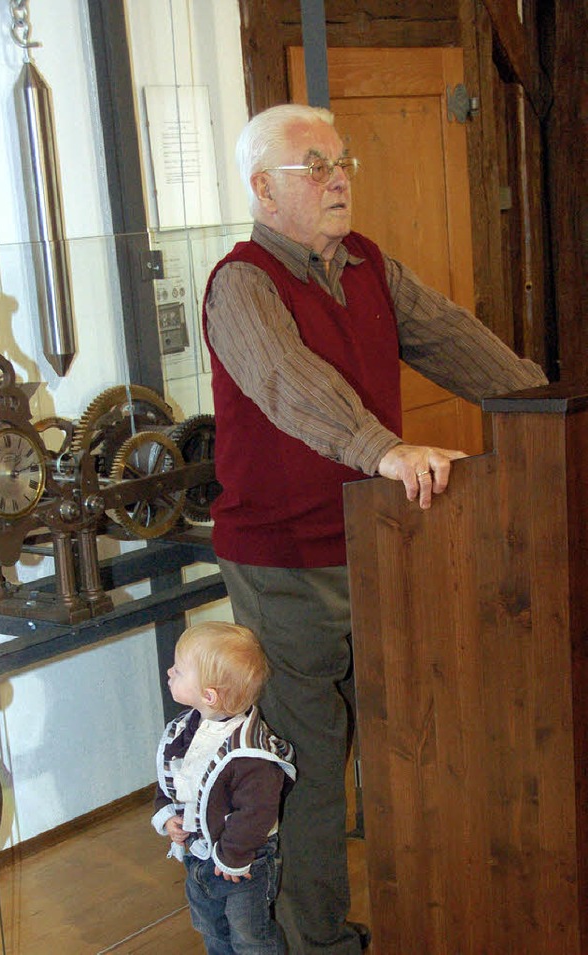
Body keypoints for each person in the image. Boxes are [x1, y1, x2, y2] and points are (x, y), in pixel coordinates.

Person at [202, 103, 548, 954]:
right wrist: (381, 449)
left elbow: (453, 339)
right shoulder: (241, 282)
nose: (338, 176)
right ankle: (314, 942)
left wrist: (548, 406)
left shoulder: (366, 265)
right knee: (308, 771)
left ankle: (417, 911)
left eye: (341, 159)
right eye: (313, 165)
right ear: (262, 189)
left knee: (403, 748)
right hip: (285, 565)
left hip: (378, 548)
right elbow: (287, 384)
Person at [152, 620, 296, 955]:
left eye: (179, 669)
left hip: (243, 864)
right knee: (212, 929)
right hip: (198, 855)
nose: (170, 672)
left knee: (250, 936)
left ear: (208, 694)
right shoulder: (184, 730)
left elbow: (256, 814)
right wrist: (168, 815)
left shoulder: (249, 752)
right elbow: (172, 779)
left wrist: (233, 857)